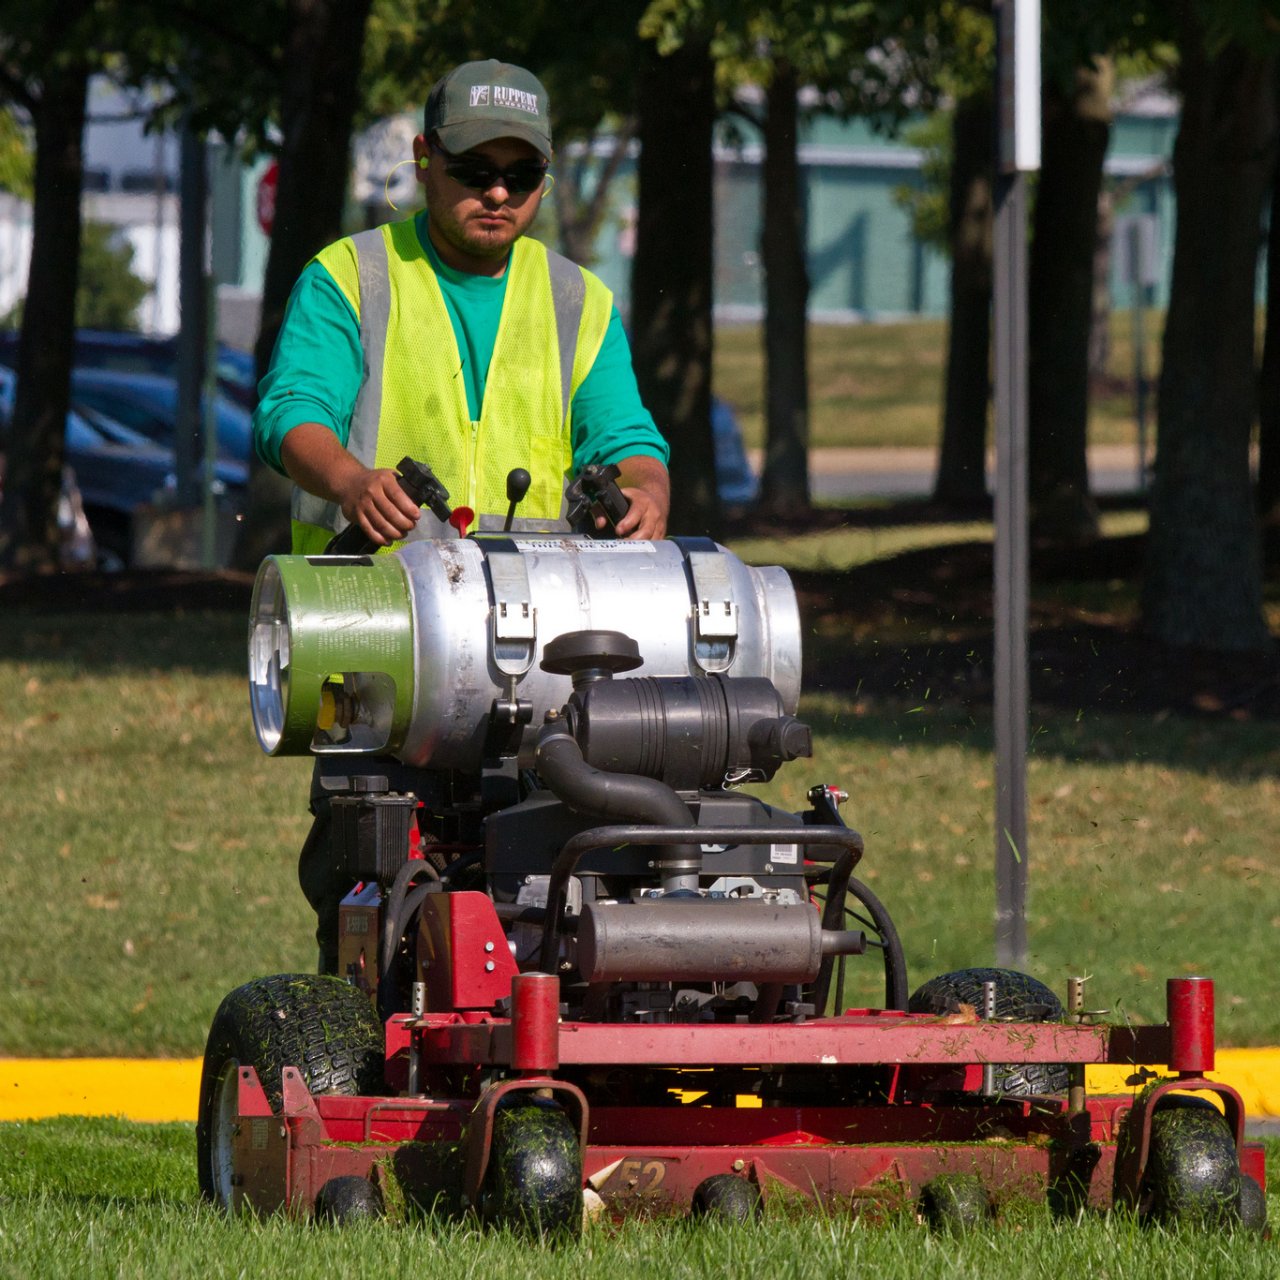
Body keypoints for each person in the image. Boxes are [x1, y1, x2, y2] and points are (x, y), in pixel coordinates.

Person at [252, 59, 671, 970]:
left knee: (557, 884)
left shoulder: (577, 301)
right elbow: (291, 415)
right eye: (476, 168)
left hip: (542, 656)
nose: (497, 192)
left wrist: (646, 493)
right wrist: (353, 480)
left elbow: (630, 437)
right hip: (375, 636)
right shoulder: (350, 277)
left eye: (521, 177)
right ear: (423, 157)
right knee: (370, 892)